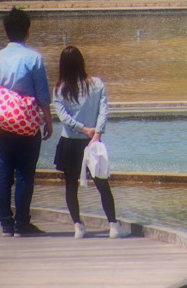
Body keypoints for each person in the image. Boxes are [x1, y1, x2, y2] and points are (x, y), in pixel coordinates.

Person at [0, 7, 53, 237]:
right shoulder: (34, 58)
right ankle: (22, 224)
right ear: (27, 31)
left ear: (6, 31)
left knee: (4, 172)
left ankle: (6, 224)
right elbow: (42, 95)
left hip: (3, 124)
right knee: (25, 173)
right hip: (27, 124)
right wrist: (48, 121)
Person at [53, 45, 126, 239]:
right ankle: (113, 224)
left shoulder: (60, 89)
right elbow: (104, 110)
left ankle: (78, 225)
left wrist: (82, 128)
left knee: (71, 186)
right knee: (102, 183)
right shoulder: (97, 83)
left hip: (69, 142)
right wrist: (96, 133)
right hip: (92, 142)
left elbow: (64, 118)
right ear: (81, 62)